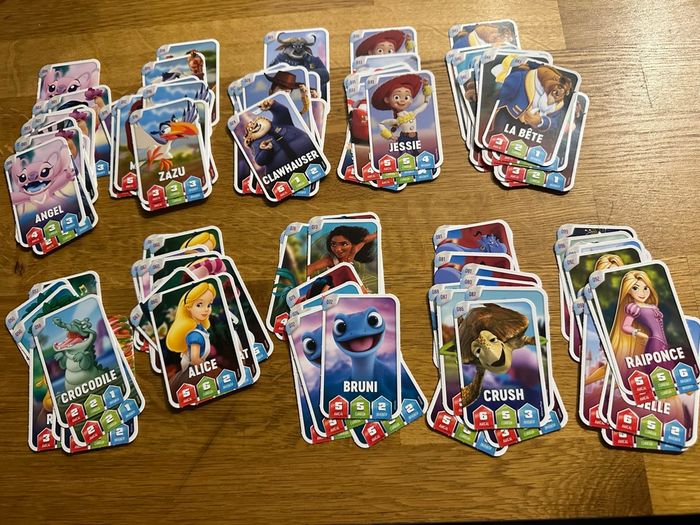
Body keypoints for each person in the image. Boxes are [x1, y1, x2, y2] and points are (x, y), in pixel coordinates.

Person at [610, 270, 667, 368]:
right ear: (628, 290)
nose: (642, 293)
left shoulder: (652, 306)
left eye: (646, 288)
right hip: (654, 342)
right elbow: (625, 326)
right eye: (635, 288)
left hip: (663, 342)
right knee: (659, 367)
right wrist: (642, 335)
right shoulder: (634, 307)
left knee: (666, 366)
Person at [370, 74, 432, 157]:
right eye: (396, 97)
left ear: (411, 99)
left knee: (415, 153)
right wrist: (390, 136)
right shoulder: (397, 120)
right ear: (387, 100)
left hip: (414, 137)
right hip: (403, 138)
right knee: (403, 155)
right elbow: (381, 124)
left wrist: (426, 86)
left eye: (406, 97)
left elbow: (426, 102)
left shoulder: (413, 113)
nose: (402, 100)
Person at [166, 282, 216, 370]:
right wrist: (211, 368)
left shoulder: (201, 329)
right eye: (199, 305)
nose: (206, 309)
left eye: (209, 305)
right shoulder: (194, 334)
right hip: (192, 369)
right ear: (188, 307)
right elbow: (195, 360)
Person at [307, 225, 377, 277]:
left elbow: (364, 240)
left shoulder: (353, 251)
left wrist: (378, 232)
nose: (337, 249)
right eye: (333, 244)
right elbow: (312, 267)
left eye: (344, 244)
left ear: (352, 244)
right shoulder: (331, 259)